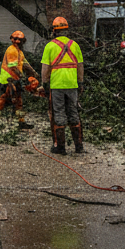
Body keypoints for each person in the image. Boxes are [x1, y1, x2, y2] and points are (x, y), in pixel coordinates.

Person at [41, 16, 84, 155]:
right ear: (66, 30)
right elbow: (80, 66)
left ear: (54, 31)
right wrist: (80, 82)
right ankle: (78, 146)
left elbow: (45, 69)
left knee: (58, 113)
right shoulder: (75, 45)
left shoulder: (50, 46)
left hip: (57, 85)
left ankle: (60, 147)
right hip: (72, 85)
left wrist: (45, 84)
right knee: (73, 112)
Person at [0, 30, 37, 130]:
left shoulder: (19, 52)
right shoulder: (11, 50)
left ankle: (21, 121)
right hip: (8, 80)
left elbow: (25, 63)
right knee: (4, 98)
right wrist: (23, 76)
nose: (17, 42)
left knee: (18, 99)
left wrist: (33, 72)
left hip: (15, 79)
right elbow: (13, 67)